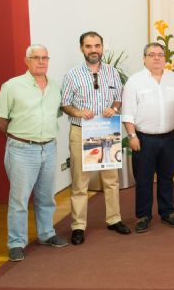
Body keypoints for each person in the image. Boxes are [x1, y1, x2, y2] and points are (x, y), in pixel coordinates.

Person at [0, 44, 68, 262]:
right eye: (36, 57)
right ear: (27, 61)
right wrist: (19, 137)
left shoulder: (55, 86)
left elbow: (57, 113)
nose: (41, 61)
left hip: (49, 147)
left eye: (45, 57)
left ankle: (46, 234)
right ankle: (16, 243)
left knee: (46, 196)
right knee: (19, 199)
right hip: (22, 150)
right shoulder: (12, 86)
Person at [61, 31, 131, 245]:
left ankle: (114, 219)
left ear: (102, 48)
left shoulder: (112, 72)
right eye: (89, 46)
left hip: (107, 130)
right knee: (80, 182)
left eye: (97, 46)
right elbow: (65, 103)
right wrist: (78, 112)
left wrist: (113, 108)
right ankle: (78, 226)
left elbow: (119, 98)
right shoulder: (72, 75)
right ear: (82, 48)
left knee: (111, 179)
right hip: (81, 131)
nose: (94, 50)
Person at [121, 43, 174, 233]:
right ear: (144, 58)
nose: (157, 58)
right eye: (152, 55)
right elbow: (128, 112)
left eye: (160, 55)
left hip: (170, 137)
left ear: (165, 58)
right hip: (143, 139)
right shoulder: (134, 81)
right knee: (144, 179)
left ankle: (167, 213)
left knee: (167, 177)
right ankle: (143, 216)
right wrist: (132, 136)